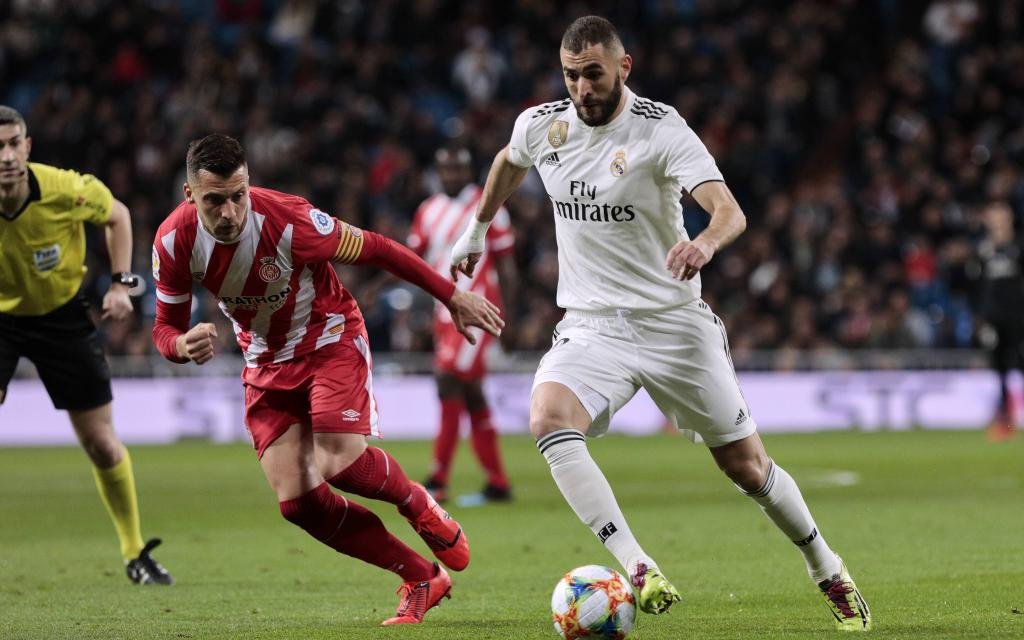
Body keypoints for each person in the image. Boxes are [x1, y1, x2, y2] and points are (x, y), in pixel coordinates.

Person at [450, 16, 871, 631]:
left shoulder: (661, 129)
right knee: (547, 417)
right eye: (570, 76)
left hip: (674, 324)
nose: (581, 88)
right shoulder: (543, 125)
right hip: (592, 325)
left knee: (747, 467)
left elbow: (729, 212)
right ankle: (637, 564)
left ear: (623, 67)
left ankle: (825, 565)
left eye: (593, 74)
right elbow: (508, 162)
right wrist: (477, 227)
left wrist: (704, 244)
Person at [151, 134, 504, 625]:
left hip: (328, 339)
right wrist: (180, 346)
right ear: (190, 195)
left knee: (338, 460)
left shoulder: (289, 220)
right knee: (298, 504)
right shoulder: (173, 241)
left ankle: (416, 500)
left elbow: (378, 249)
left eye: (238, 195)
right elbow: (164, 328)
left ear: (249, 184)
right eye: (215, 200)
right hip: (265, 364)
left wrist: (451, 296)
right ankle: (422, 577)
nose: (230, 212)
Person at [0, 105, 173, 586]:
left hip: (61, 317)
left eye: (14, 143)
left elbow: (117, 215)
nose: (7, 155)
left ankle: (134, 551)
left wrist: (120, 284)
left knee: (100, 443)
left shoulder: (64, 190)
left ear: (27, 147)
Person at [408, 147, 517, 504]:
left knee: (447, 379)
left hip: (480, 310)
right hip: (445, 314)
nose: (451, 174)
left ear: (469, 169)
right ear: (438, 171)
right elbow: (416, 262)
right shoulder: (428, 210)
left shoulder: (488, 209)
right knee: (471, 395)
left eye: (458, 167)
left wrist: (511, 318)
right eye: (445, 168)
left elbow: (507, 265)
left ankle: (437, 479)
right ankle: (498, 483)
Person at [975, 201, 1022, 442]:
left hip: (1019, 317)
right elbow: (979, 288)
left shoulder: (1019, 247)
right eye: (993, 218)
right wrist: (982, 318)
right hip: (995, 319)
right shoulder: (984, 250)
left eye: (1002, 217)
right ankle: (1005, 419)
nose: (998, 222)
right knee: (1000, 369)